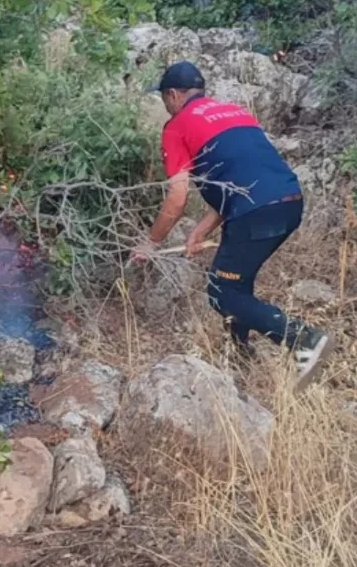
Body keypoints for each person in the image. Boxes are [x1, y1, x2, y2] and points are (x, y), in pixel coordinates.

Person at [133, 61, 333, 388]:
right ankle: (238, 356)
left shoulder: (177, 126)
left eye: (164, 99)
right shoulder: (235, 113)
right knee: (236, 283)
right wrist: (202, 230)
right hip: (289, 202)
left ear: (172, 95)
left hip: (254, 212)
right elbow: (240, 180)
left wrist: (151, 243)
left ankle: (305, 340)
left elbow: (177, 197)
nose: (166, 106)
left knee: (221, 291)